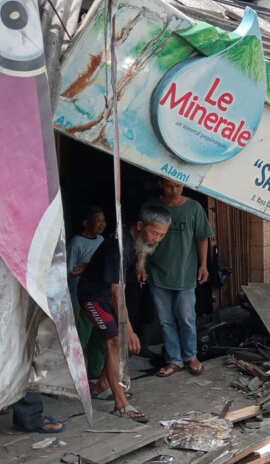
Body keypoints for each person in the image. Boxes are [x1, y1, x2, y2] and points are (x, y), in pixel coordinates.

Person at [78, 205, 171, 421]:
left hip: (108, 295)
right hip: (93, 295)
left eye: (162, 235)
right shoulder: (119, 245)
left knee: (117, 340)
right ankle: (121, 404)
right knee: (115, 340)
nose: (157, 239)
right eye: (154, 233)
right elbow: (116, 293)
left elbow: (142, 250)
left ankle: (102, 385)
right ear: (141, 226)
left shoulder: (136, 235)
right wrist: (128, 329)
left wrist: (140, 266)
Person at [146, 178, 213, 377]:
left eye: (178, 185)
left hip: (185, 273)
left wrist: (203, 265)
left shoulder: (193, 208)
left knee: (186, 318)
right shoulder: (153, 207)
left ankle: (190, 356)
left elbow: (202, 237)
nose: (174, 190)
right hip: (158, 272)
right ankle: (174, 360)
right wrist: (141, 265)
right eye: (169, 185)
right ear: (159, 183)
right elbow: (141, 237)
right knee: (166, 320)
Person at [68, 207, 108, 386]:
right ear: (86, 223)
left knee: (99, 335)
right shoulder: (77, 242)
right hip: (80, 297)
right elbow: (69, 270)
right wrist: (89, 267)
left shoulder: (101, 240)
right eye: (98, 220)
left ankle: (95, 370)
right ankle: (73, 374)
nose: (102, 224)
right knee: (80, 337)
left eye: (103, 220)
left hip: (98, 295)